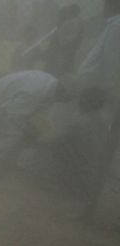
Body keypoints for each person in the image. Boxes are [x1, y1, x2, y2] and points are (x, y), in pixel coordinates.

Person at [0, 69, 71, 173]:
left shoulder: (51, 83)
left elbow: (34, 112)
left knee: (32, 133)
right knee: (16, 135)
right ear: (62, 91)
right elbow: (13, 114)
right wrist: (28, 130)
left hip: (5, 102)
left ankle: (11, 160)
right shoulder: (36, 92)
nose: (67, 101)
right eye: (67, 97)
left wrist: (38, 129)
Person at [77, 0, 120, 220]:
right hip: (105, 94)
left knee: (102, 148)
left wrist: (102, 93)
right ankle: (90, 203)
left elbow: (111, 64)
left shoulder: (116, 25)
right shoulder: (113, 25)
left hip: (104, 96)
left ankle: (90, 206)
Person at [44, 3, 84, 77]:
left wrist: (60, 28)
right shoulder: (75, 22)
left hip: (64, 50)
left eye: (67, 11)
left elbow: (63, 40)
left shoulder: (71, 23)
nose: (65, 13)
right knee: (67, 66)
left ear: (71, 12)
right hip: (66, 50)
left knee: (63, 68)